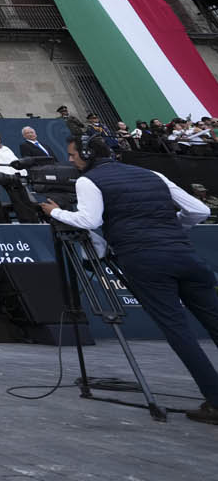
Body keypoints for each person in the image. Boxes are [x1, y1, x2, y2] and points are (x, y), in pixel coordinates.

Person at [44, 137, 218, 425]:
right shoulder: (154, 175)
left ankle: (215, 401)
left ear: (88, 156)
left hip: (145, 261)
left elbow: (89, 221)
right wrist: (174, 229)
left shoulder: (88, 181)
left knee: (180, 334)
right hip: (186, 257)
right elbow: (200, 211)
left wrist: (56, 212)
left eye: (74, 155)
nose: (72, 161)